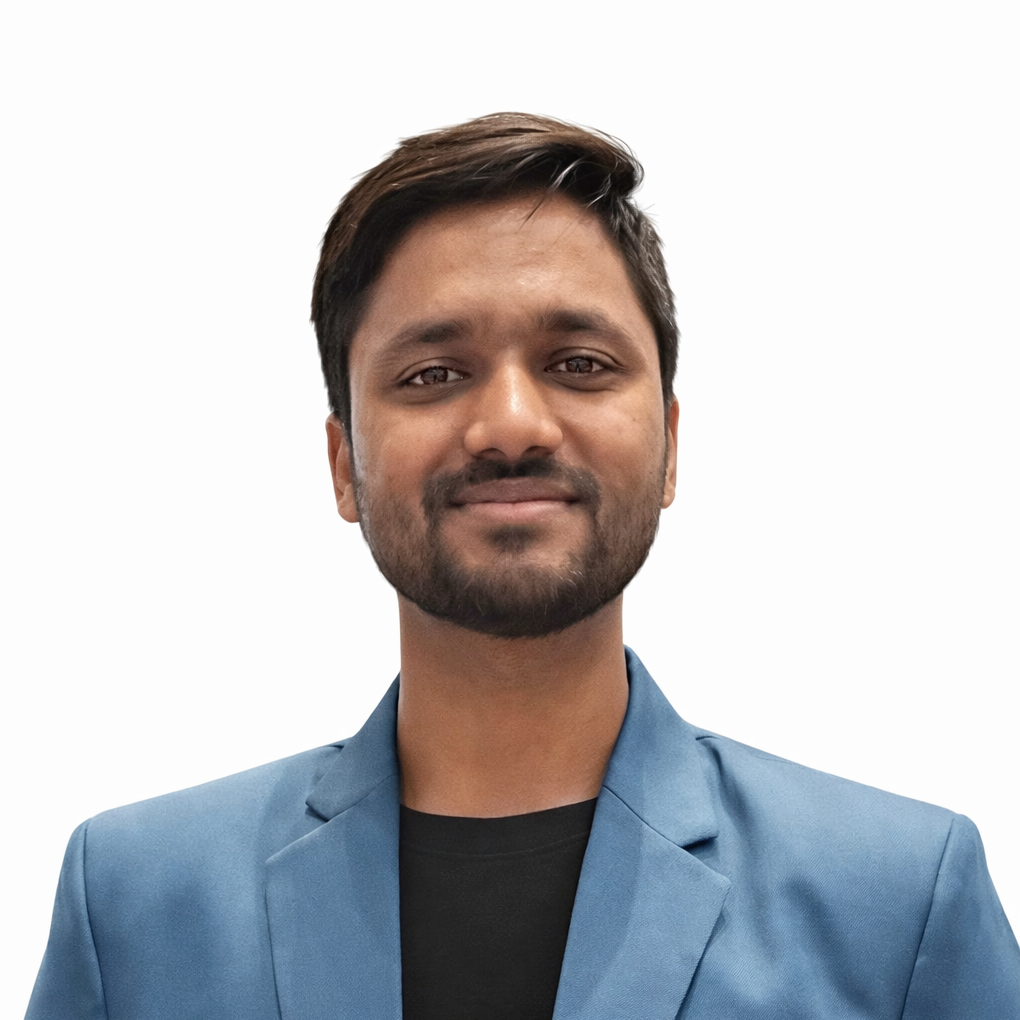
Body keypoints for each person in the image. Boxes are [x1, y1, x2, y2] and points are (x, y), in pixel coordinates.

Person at [26, 112, 1018, 1020]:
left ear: (670, 446)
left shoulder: (902, 903)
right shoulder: (133, 903)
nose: (509, 424)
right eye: (433, 374)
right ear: (343, 464)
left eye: (579, 364)